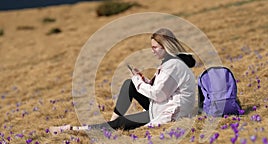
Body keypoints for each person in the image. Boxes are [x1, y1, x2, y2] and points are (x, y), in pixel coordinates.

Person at [50, 28, 196, 134]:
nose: (152, 51)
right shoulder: (173, 62)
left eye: (155, 47)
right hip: (164, 105)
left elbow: (158, 95)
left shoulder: (173, 65)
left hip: (170, 112)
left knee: (123, 119)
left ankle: (74, 130)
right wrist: (143, 80)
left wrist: (139, 81)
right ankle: (112, 122)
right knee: (130, 84)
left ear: (166, 47)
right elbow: (163, 89)